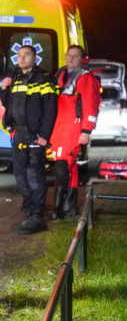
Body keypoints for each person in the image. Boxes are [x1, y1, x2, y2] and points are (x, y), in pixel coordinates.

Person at [0, 46, 57, 234]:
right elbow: (7, 103)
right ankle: (30, 211)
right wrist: (3, 88)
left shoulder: (44, 78)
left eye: (27, 55)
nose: (22, 59)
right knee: (20, 175)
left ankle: (37, 216)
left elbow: (50, 109)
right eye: (19, 55)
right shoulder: (14, 76)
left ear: (35, 58)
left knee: (33, 174)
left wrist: (44, 135)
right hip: (19, 133)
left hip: (35, 135)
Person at [49, 45, 100, 219]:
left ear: (82, 59)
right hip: (58, 127)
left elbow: (91, 105)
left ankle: (57, 209)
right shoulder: (60, 74)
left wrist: (86, 130)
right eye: (69, 55)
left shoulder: (86, 78)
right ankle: (69, 207)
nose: (71, 58)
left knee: (62, 166)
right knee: (70, 167)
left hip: (72, 128)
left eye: (75, 56)